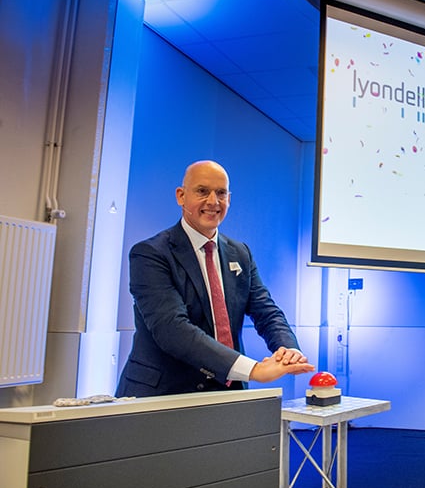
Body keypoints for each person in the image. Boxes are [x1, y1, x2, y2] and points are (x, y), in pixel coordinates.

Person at [116, 160, 314, 397]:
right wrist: (254, 370)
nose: (213, 201)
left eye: (221, 193)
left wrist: (288, 350)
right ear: (181, 196)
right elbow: (172, 329)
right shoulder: (150, 254)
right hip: (164, 395)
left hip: (227, 392)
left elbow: (266, 311)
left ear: (229, 198)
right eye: (202, 191)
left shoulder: (240, 253)